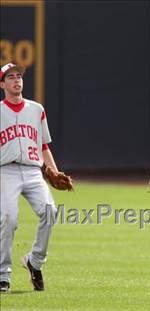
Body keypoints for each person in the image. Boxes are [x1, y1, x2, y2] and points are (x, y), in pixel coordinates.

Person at [0, 63, 61, 292]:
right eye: (11, 77)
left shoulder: (36, 109)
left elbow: (44, 145)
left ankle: (34, 261)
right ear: (2, 84)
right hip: (6, 171)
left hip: (34, 171)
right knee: (8, 218)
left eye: (19, 76)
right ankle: (3, 275)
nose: (17, 80)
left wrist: (53, 170)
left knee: (50, 211)